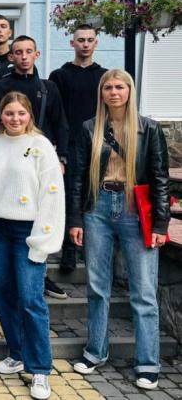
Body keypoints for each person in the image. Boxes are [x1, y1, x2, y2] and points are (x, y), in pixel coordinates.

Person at [69, 69, 170, 390]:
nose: (114, 92)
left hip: (134, 209)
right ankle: (95, 351)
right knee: (97, 286)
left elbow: (160, 177)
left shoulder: (148, 128)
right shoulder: (90, 128)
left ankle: (148, 362)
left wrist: (161, 223)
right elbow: (78, 176)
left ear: (130, 91)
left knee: (144, 291)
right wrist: (75, 219)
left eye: (119, 87)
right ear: (101, 93)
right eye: (108, 87)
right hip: (98, 208)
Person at [0, 92, 65, 400]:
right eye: (9, 113)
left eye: (20, 113)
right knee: (1, 290)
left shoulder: (41, 146)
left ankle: (40, 368)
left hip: (27, 229)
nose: (15, 118)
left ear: (29, 115)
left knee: (31, 298)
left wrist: (44, 240)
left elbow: (52, 194)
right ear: (1, 116)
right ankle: (17, 352)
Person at [0, 35, 70, 300]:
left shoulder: (48, 88)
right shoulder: (0, 86)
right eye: (18, 52)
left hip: (40, 158)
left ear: (37, 54)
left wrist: (62, 158)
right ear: (10, 56)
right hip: (9, 161)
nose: (23, 56)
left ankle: (40, 276)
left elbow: (60, 123)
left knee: (43, 211)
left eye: (28, 51)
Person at [49, 24, 108, 274]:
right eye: (80, 40)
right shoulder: (59, 76)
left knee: (93, 194)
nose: (85, 44)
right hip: (70, 143)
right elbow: (55, 113)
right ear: (72, 43)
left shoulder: (105, 77)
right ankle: (68, 250)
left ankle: (91, 247)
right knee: (68, 195)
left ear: (96, 43)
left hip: (98, 144)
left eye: (90, 40)